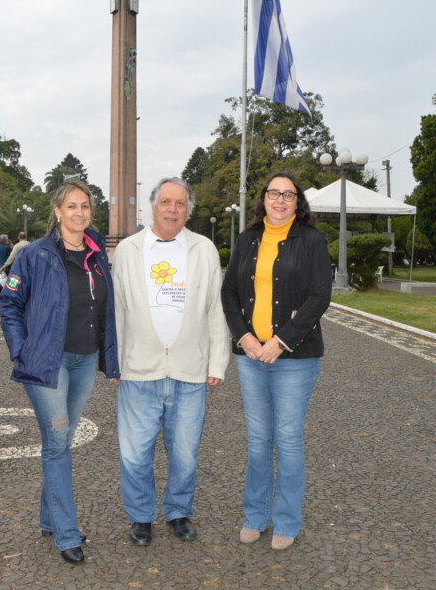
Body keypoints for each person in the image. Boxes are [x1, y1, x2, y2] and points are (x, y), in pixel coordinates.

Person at [0, 179, 119, 565]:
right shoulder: (34, 255)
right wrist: (21, 348)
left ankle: (49, 518)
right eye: (71, 206)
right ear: (57, 211)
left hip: (84, 359)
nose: (79, 213)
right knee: (58, 441)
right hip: (48, 363)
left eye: (84, 206)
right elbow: (9, 303)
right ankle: (67, 534)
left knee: (59, 443)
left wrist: (109, 357)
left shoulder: (98, 253)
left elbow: (105, 310)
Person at [112, 177, 229, 546]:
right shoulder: (128, 251)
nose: (172, 210)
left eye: (180, 203)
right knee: (134, 455)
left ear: (188, 209)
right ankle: (141, 516)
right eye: (166, 202)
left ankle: (178, 512)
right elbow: (116, 311)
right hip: (138, 370)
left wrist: (217, 363)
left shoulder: (204, 249)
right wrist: (113, 362)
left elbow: (215, 308)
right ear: (152, 206)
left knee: (185, 455)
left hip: (189, 370)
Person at [220, 171, 331, 551]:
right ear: (263, 199)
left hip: (295, 357)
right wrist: (244, 336)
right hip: (250, 356)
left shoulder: (312, 241)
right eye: (273, 193)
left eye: (288, 194)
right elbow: (229, 291)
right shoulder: (247, 239)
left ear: (298, 202)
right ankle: (255, 515)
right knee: (257, 440)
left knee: (286, 438)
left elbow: (319, 296)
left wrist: (280, 341)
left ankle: (286, 520)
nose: (280, 200)